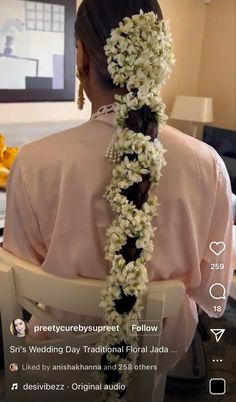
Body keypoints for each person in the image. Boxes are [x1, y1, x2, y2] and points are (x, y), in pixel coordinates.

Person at [3, 0, 234, 398]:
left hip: (54, 361)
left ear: (81, 57)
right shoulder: (207, 166)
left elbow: (17, 273)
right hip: (155, 358)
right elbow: (214, 290)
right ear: (158, 56)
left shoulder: (34, 162)